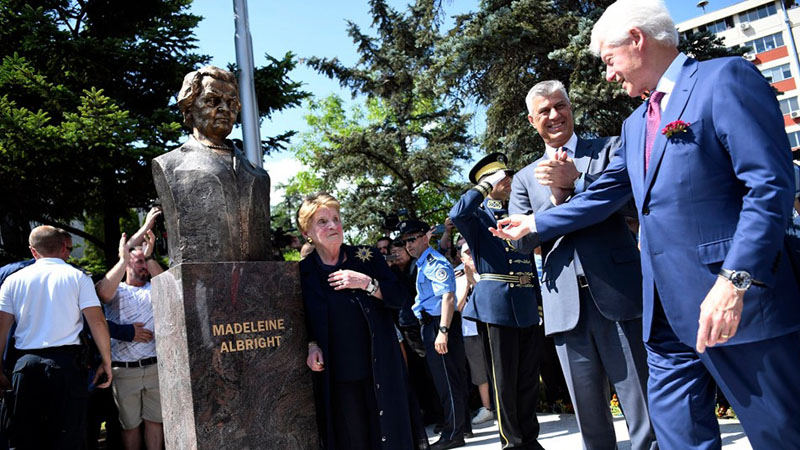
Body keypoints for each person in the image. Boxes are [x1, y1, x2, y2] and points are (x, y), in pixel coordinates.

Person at [491, 1, 800, 448]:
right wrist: (536, 222)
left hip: (736, 304)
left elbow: (770, 186)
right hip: (666, 321)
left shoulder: (723, 80)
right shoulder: (636, 124)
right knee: (677, 436)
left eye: (609, 59)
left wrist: (736, 279)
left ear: (636, 40)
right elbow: (602, 194)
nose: (609, 74)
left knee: (780, 435)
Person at [510, 80, 656, 450]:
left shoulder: (608, 150)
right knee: (589, 417)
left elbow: (626, 205)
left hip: (618, 295)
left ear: (571, 108)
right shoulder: (525, 178)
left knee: (643, 407)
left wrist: (576, 184)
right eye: (544, 111)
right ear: (532, 120)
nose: (555, 115)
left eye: (561, 106)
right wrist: (557, 200)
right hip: (565, 307)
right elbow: (523, 239)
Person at [297, 193, 427, 450]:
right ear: (307, 233)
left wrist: (367, 284)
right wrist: (311, 344)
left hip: (380, 364)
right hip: (338, 372)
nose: (333, 225)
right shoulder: (304, 273)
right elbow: (302, 317)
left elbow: (399, 297)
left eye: (335, 218)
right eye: (322, 222)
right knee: (353, 437)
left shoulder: (366, 256)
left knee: (390, 434)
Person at [449, 154, 544, 449]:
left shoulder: (519, 211)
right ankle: (512, 442)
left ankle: (529, 439)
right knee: (504, 380)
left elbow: (528, 260)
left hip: (526, 303)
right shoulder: (478, 216)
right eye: (501, 177)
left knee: (528, 379)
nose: (509, 180)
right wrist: (484, 187)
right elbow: (457, 212)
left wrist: (538, 303)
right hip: (497, 306)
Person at [0, 226, 113, 450]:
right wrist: (107, 362)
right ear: (63, 247)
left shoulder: (13, 281)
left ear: (33, 251)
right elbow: (98, 322)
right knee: (68, 438)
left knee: (26, 438)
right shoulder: (78, 277)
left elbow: (1, 328)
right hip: (67, 366)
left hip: (27, 365)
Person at [152, 65, 272, 265]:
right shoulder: (170, 165)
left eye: (231, 102)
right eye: (212, 101)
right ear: (189, 107)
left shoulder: (258, 176)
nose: (225, 109)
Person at [95, 210, 165, 450]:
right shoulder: (117, 290)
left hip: (155, 366)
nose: (144, 265)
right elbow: (103, 293)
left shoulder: (152, 286)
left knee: (155, 422)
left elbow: (170, 287)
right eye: (139, 261)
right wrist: (124, 258)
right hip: (125, 371)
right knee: (130, 426)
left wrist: (150, 255)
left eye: (145, 261)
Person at [398, 219, 468, 450]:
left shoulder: (434, 261)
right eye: (405, 241)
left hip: (440, 324)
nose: (408, 245)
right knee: (446, 380)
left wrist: (443, 332)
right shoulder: (422, 263)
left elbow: (448, 296)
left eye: (412, 239)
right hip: (432, 324)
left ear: (425, 237)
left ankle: (454, 434)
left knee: (448, 382)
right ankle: (459, 427)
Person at [453, 243, 494, 427]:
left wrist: (475, 280)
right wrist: (467, 281)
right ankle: (486, 407)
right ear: (461, 259)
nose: (470, 255)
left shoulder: (489, 270)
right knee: (479, 370)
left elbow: (489, 299)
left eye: (472, 251)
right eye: (466, 253)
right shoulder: (458, 277)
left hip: (492, 328)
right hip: (470, 330)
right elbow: (458, 307)